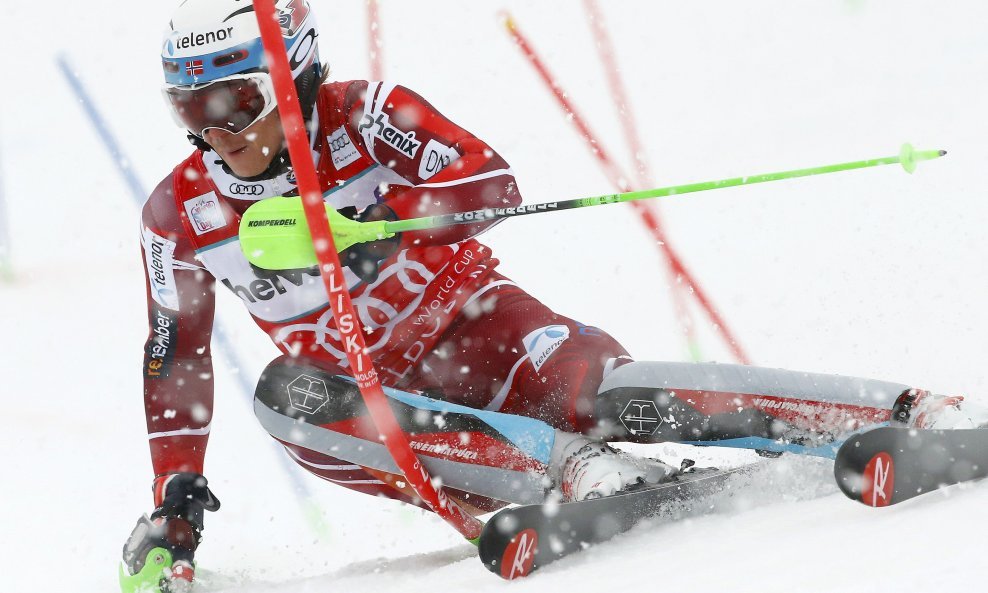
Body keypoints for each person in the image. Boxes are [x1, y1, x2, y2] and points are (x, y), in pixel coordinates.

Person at [122, 1, 988, 591]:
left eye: (231, 100)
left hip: (487, 334)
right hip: (390, 411)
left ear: (291, 79)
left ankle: (918, 413)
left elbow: (487, 178)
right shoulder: (176, 217)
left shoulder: (367, 112)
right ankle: (572, 470)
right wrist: (175, 497)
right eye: (185, 107)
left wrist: (392, 219)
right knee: (284, 397)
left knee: (613, 396)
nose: (212, 130)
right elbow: (176, 358)